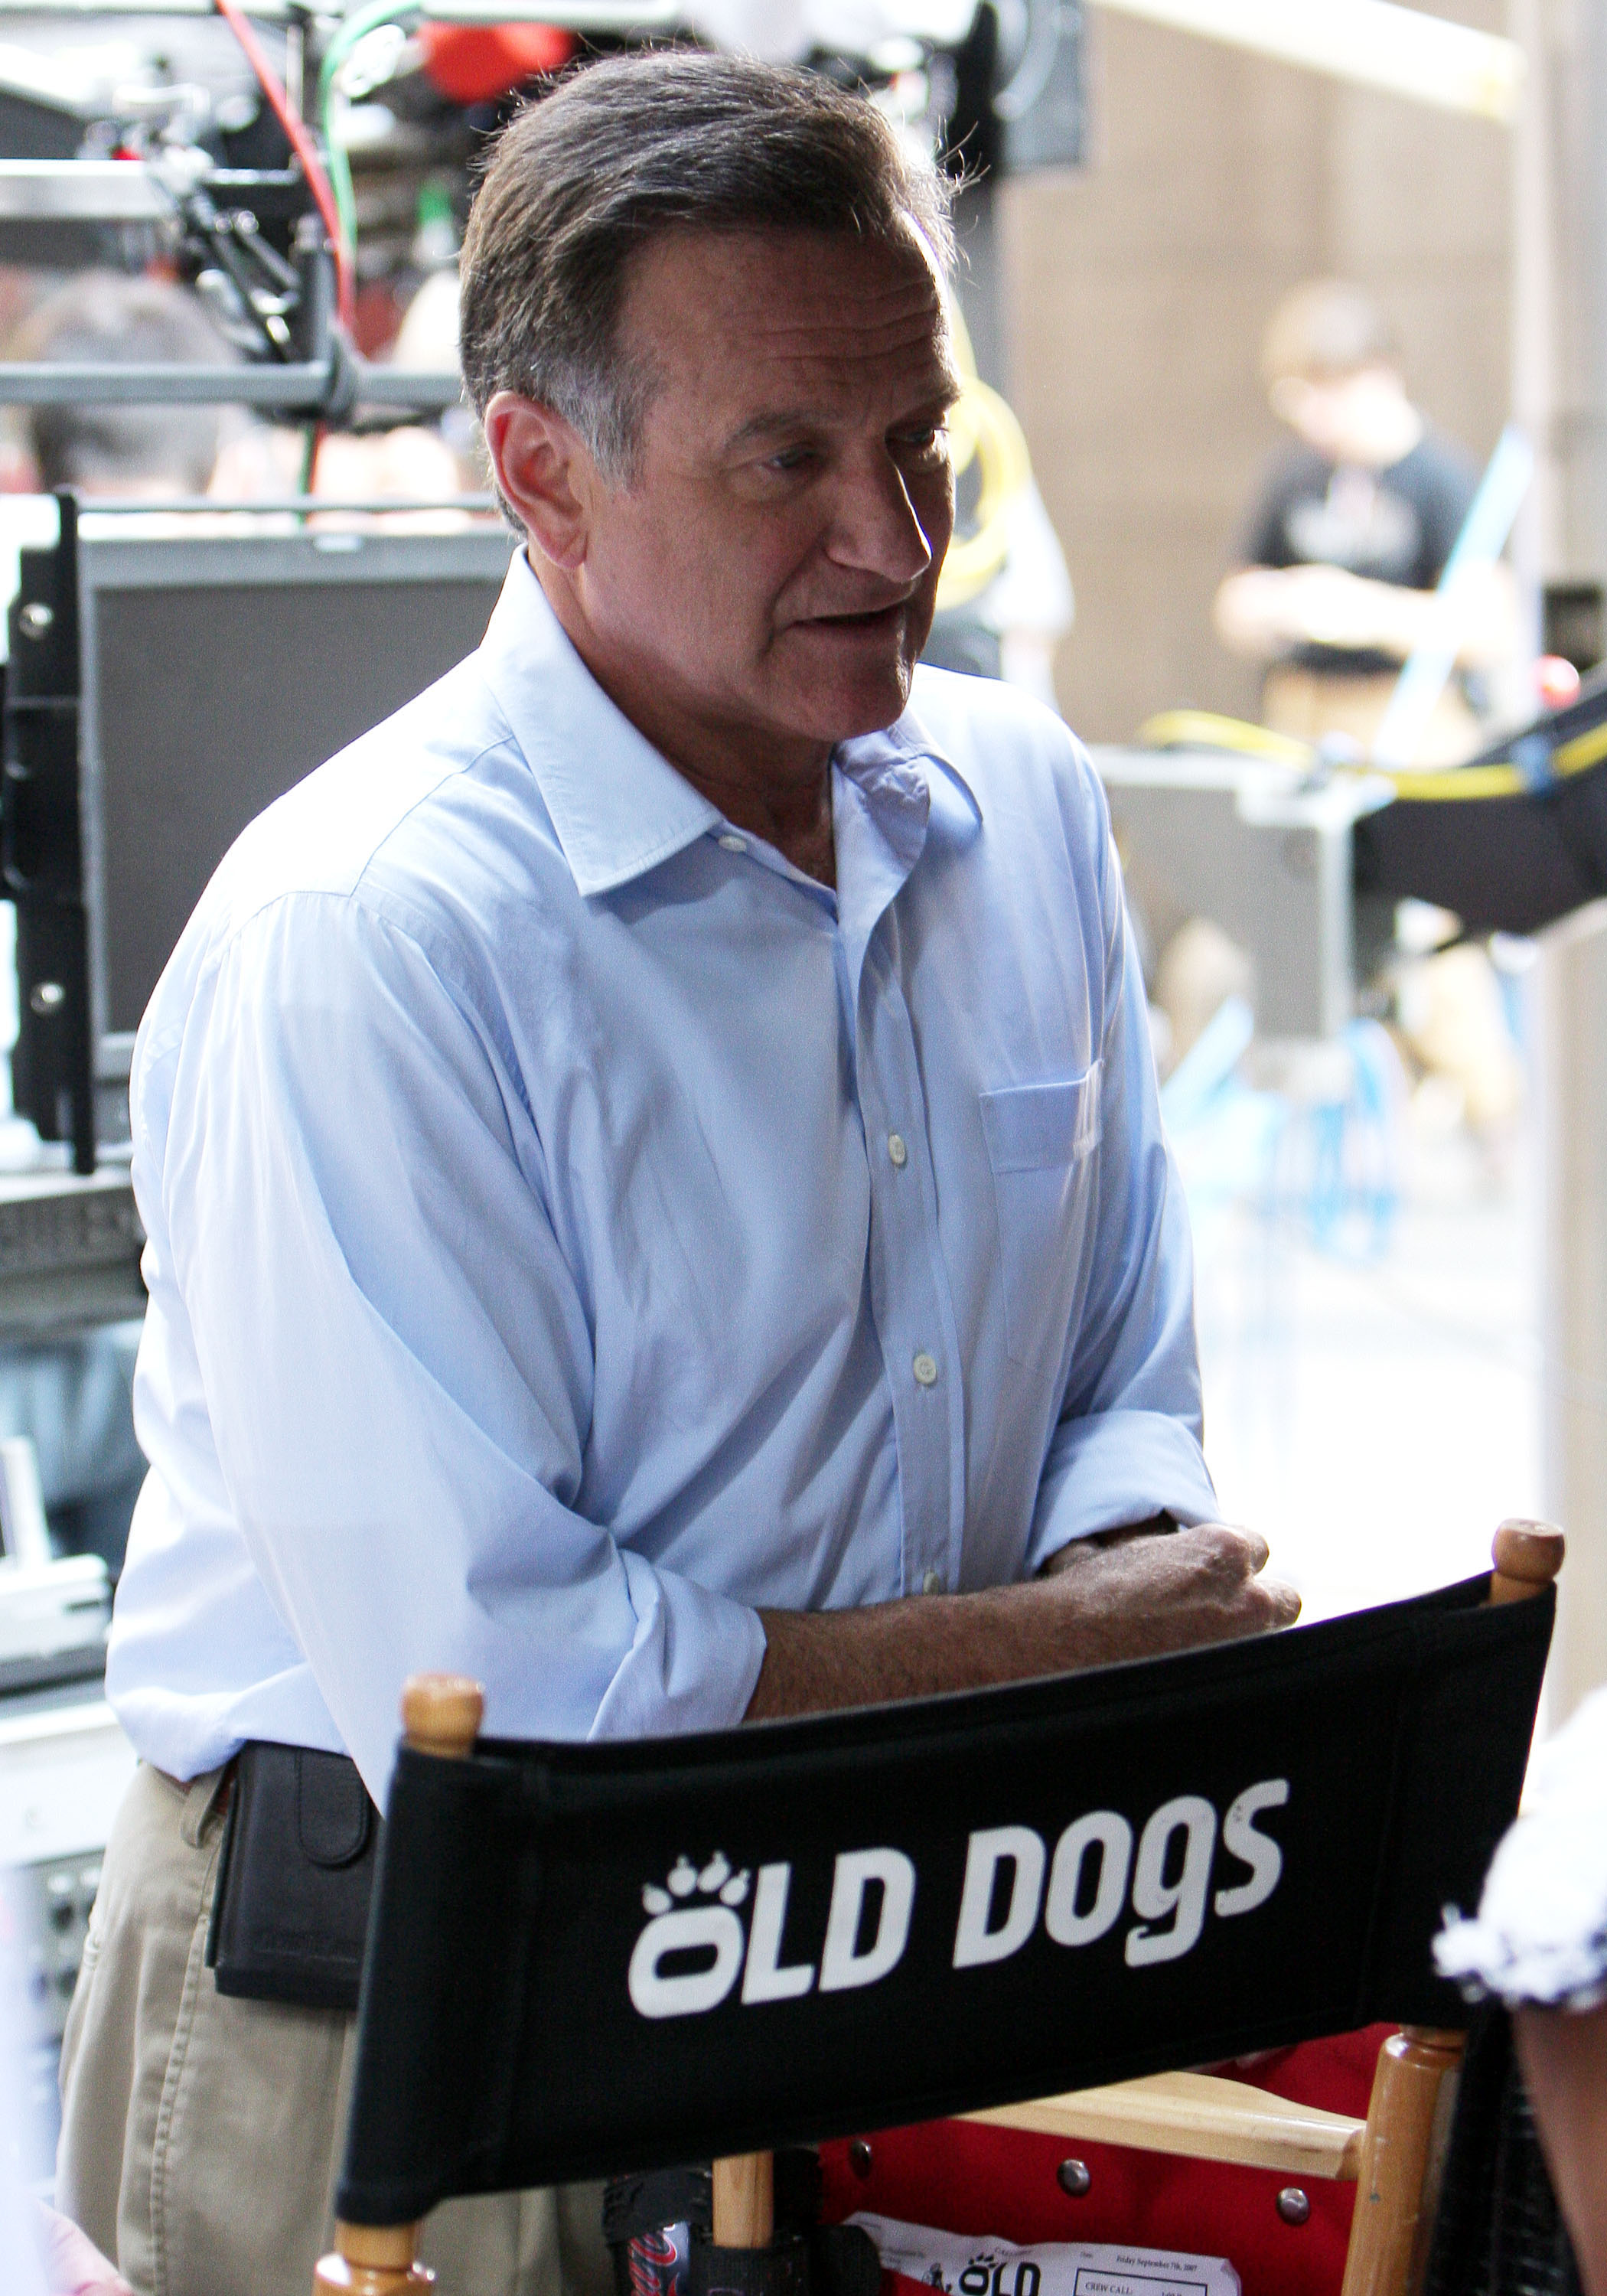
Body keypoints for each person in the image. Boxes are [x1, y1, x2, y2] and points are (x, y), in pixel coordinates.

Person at [57, 52, 1299, 2296]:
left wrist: (1127, 1571)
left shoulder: (1013, 802)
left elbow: (1117, 1349)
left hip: (876, 1939)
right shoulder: (372, 934)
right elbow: (497, 1684)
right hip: (395, 1997)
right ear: (540, 472)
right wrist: (1049, 1650)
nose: (893, 539)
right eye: (787, 465)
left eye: (918, 440)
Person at [1214, 279, 1514, 762]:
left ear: (1381, 375)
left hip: (1408, 724)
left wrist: (1361, 612)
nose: (1313, 416)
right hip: (1301, 719)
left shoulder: (1441, 477)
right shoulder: (1294, 471)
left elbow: (1488, 628)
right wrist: (1271, 606)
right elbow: (1235, 599)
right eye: (1297, 396)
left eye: (1330, 392)